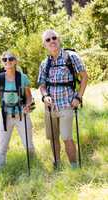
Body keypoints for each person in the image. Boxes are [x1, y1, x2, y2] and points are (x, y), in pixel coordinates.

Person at [38, 29, 88, 169]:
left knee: (66, 137)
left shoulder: (71, 57)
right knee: (53, 138)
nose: (51, 41)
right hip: (50, 107)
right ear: (44, 45)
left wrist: (78, 97)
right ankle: (57, 165)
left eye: (54, 38)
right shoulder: (44, 63)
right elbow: (42, 85)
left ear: (59, 39)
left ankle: (74, 167)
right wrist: (45, 96)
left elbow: (84, 77)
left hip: (67, 104)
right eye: (48, 40)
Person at [0, 51, 35, 170]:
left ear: (15, 61)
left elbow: (29, 96)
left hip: (21, 115)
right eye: (4, 59)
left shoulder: (23, 77)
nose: (8, 61)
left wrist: (28, 105)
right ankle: (1, 172)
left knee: (29, 146)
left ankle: (34, 166)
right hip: (5, 117)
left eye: (10, 59)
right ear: (2, 62)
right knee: (2, 148)